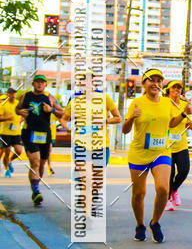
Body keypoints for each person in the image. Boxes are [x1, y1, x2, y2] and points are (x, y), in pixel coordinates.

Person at [122, 69, 186, 243]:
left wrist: (184, 113)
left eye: (159, 80)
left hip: (161, 152)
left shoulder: (167, 103)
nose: (155, 83)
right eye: (151, 80)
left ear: (162, 84)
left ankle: (155, 222)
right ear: (144, 84)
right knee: (138, 194)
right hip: (139, 153)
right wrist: (131, 118)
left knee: (163, 189)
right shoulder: (136, 103)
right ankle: (140, 224)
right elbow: (125, 129)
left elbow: (171, 123)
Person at [16, 74, 64, 205]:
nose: (39, 84)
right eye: (37, 82)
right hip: (29, 132)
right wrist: (20, 112)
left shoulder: (50, 98)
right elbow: (17, 108)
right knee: (35, 162)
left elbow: (63, 113)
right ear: (33, 84)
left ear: (45, 85)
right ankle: (36, 192)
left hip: (45, 133)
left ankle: (36, 186)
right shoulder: (25, 96)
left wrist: (52, 109)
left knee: (42, 164)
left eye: (42, 82)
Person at [61, 86, 121, 166]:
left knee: (98, 176)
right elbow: (63, 119)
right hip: (81, 145)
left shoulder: (105, 98)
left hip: (101, 145)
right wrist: (69, 129)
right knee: (84, 174)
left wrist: (104, 121)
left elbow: (118, 118)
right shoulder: (74, 101)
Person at [164, 80, 192, 211]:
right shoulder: (164, 104)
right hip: (167, 145)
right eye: (174, 88)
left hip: (181, 144)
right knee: (169, 174)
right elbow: (171, 123)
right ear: (168, 90)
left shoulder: (184, 104)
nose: (176, 90)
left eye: (179, 88)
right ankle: (167, 199)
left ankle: (174, 190)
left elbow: (188, 123)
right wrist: (183, 114)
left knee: (184, 170)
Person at [0, 88, 24, 177]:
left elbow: (23, 114)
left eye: (14, 93)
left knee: (19, 150)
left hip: (16, 132)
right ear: (8, 94)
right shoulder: (3, 105)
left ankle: (10, 160)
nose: (13, 95)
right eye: (11, 93)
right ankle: (6, 169)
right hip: (5, 132)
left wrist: (21, 119)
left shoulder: (18, 103)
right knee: (6, 151)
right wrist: (7, 118)